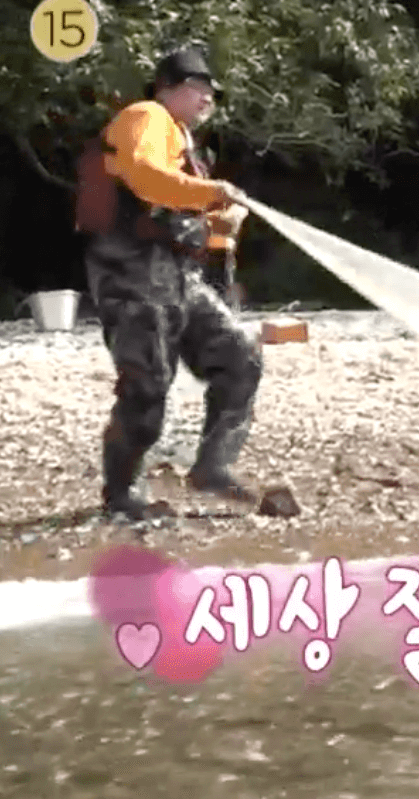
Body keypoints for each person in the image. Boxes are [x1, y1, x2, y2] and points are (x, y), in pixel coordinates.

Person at [74, 46, 261, 520]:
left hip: (178, 277)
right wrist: (213, 193)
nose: (209, 99)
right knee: (146, 386)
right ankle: (122, 495)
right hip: (130, 277)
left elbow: (177, 211)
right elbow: (145, 177)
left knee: (239, 358)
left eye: (212, 92)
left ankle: (213, 468)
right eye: (200, 88)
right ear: (169, 89)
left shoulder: (180, 139)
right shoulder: (145, 116)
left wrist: (221, 222)